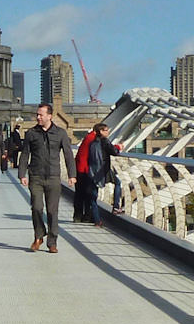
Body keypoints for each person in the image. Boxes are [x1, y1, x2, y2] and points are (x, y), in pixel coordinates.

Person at [19, 102, 73, 253]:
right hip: (35, 175)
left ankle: (52, 241)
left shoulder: (60, 133)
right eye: (37, 114)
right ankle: (38, 235)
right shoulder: (31, 133)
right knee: (36, 207)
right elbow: (25, 154)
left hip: (53, 176)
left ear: (49, 116)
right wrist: (22, 174)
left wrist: (72, 175)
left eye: (40, 115)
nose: (38, 117)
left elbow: (68, 155)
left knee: (52, 211)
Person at [79, 121, 119, 226]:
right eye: (106, 130)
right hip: (103, 171)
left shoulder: (93, 143)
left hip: (92, 172)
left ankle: (97, 221)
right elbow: (114, 151)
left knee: (93, 197)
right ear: (101, 131)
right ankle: (116, 207)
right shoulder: (105, 141)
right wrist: (118, 147)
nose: (108, 132)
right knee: (118, 183)